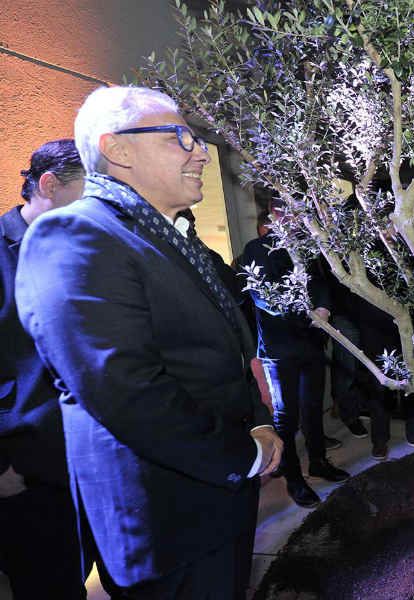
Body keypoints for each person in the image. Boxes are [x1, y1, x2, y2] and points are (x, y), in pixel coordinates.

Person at [15, 86, 282, 599]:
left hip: (217, 491)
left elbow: (224, 346)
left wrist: (257, 421)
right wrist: (243, 453)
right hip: (167, 520)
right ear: (118, 150)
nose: (201, 152)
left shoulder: (164, 233)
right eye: (180, 137)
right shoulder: (74, 235)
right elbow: (126, 389)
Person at [0, 139, 91, 599]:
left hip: (92, 462)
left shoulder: (83, 247)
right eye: (86, 191)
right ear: (48, 185)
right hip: (28, 472)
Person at [241, 199, 350, 510]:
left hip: (312, 343)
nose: (297, 217)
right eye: (290, 212)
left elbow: (321, 282)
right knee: (286, 417)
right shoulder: (256, 248)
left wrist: (324, 308)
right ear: (275, 214)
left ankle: (318, 461)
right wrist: (306, 314)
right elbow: (263, 297)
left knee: (313, 408)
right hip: (280, 349)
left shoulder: (307, 245)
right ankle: (293, 478)